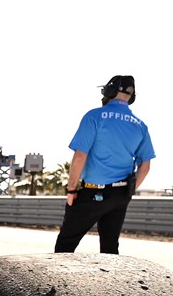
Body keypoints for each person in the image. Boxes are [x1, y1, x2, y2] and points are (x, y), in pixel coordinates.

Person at [54, 75, 154, 254]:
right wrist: (127, 193)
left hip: (92, 193)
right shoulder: (140, 126)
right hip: (120, 195)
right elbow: (145, 167)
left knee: (65, 245)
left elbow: (80, 156)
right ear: (132, 96)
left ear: (109, 91)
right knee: (110, 249)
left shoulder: (94, 116)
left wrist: (71, 190)